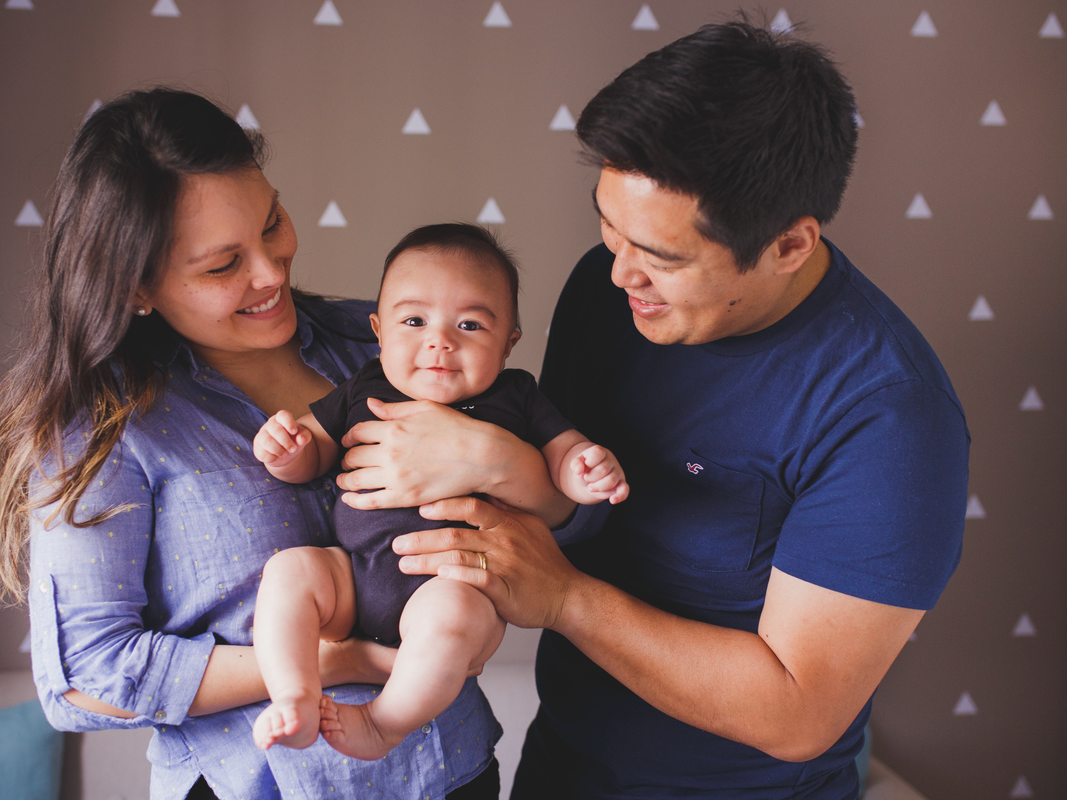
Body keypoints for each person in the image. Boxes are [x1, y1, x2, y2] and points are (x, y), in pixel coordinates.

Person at [378, 21, 970, 799]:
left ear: (789, 245)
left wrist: (564, 598)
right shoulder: (609, 292)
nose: (620, 273)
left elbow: (799, 713)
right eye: (608, 225)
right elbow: (571, 498)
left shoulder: (889, 416)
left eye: (661, 257)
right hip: (558, 764)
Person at [0, 88, 571, 800]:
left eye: (272, 223)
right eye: (223, 265)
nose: (272, 272)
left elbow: (570, 525)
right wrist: (337, 662)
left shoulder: (391, 343)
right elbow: (84, 679)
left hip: (449, 772)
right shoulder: (105, 426)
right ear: (136, 288)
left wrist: (499, 465)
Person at [248, 224, 628, 761]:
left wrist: (583, 467)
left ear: (509, 341)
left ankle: (383, 724)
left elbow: (562, 453)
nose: (440, 341)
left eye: (470, 324)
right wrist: (287, 450)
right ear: (379, 330)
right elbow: (314, 450)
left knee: (450, 618)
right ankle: (294, 694)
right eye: (414, 321)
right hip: (354, 575)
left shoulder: (516, 396)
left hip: (452, 581)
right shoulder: (366, 386)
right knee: (290, 571)